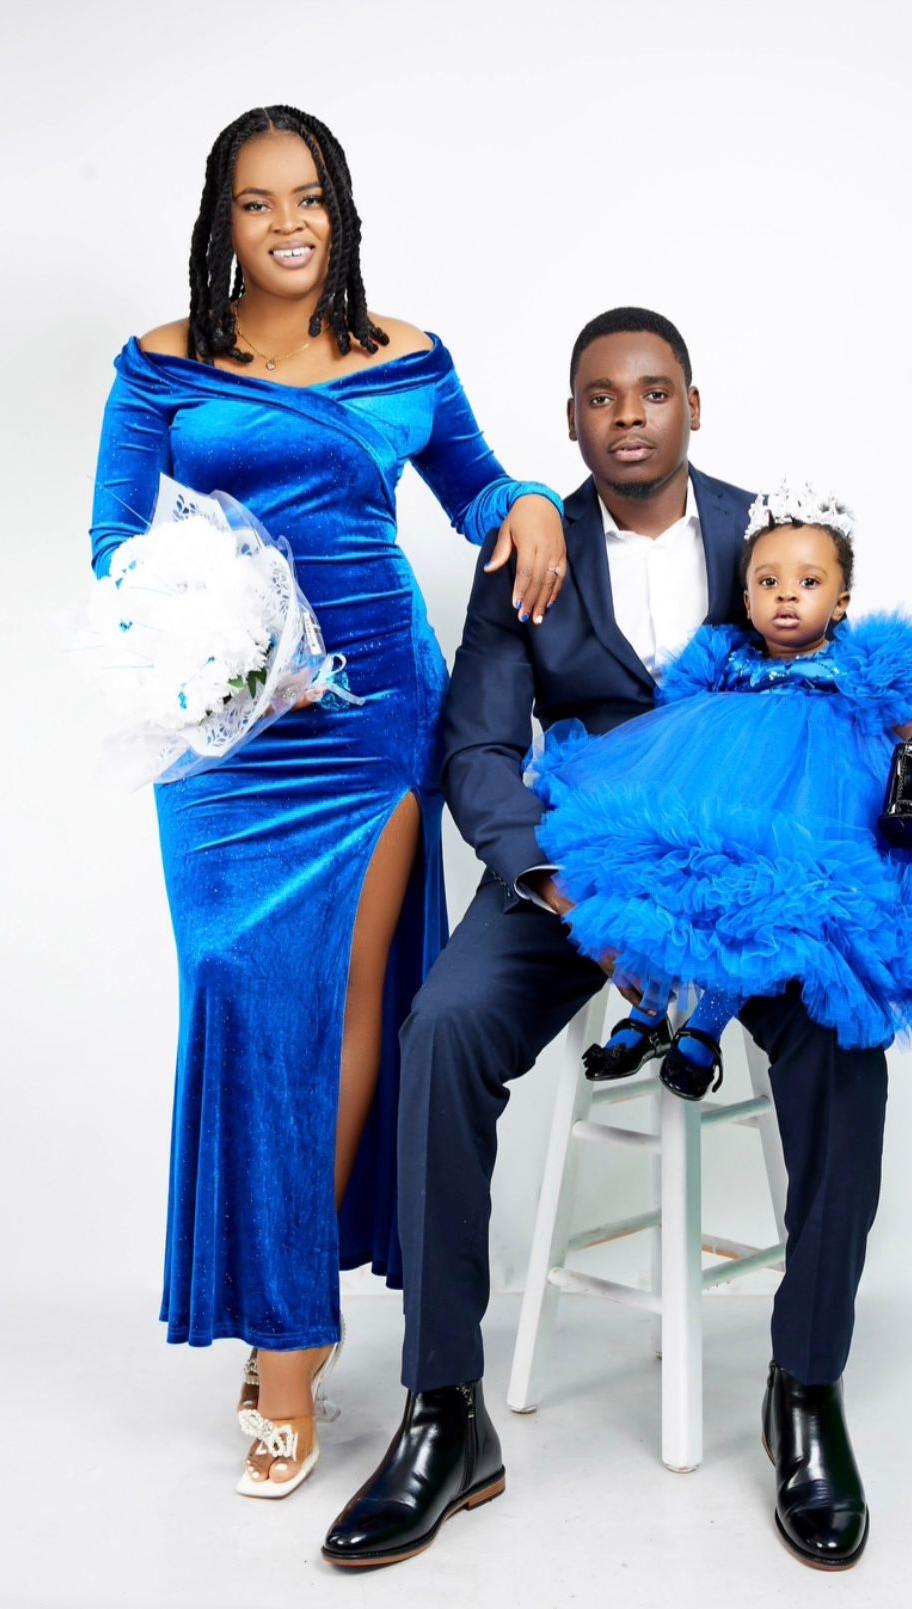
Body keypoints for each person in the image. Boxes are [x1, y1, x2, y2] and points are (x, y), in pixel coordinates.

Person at [322, 308, 912, 1571]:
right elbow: (479, 750)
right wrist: (566, 891)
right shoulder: (526, 552)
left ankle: (803, 1387)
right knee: (440, 1030)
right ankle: (443, 1409)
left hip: (747, 877)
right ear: (571, 419)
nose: (628, 417)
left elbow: (842, 681)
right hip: (582, 869)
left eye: (652, 392)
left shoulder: (766, 537)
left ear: (691, 406)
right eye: (601, 398)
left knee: (844, 1035)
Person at [87, 104, 566, 1500]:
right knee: (239, 995)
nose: (287, 224)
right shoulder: (161, 365)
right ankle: (284, 1303)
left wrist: (531, 499)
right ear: (221, 223)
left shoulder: (407, 355)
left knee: (349, 1020)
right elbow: (118, 549)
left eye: (309, 198)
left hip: (372, 726)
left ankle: (290, 1343)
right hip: (231, 729)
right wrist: (236, 648)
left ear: (340, 212)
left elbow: (476, 490)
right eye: (258, 203)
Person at [530, 492, 912, 1114]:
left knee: (773, 905)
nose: (787, 595)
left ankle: (706, 1025)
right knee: (675, 878)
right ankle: (650, 1010)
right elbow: (682, 723)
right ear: (748, 600)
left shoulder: (852, 669)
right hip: (728, 794)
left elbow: (896, 721)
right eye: (769, 582)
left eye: (808, 583)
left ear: (841, 602)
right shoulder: (729, 666)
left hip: (816, 811)